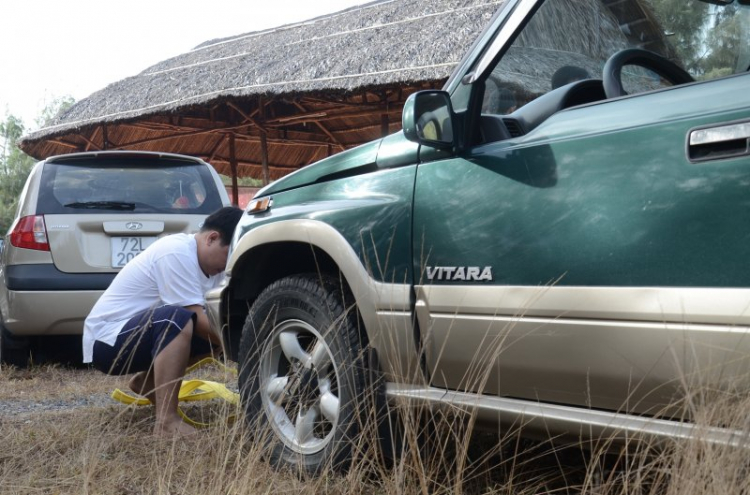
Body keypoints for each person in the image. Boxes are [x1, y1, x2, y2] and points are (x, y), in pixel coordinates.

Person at [83, 206, 244, 437]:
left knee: (217, 329)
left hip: (141, 334)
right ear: (212, 238)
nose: (228, 264)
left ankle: (148, 383)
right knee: (177, 317)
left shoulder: (213, 267)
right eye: (229, 254)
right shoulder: (175, 251)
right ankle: (166, 422)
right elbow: (195, 317)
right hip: (107, 341)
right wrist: (246, 344)